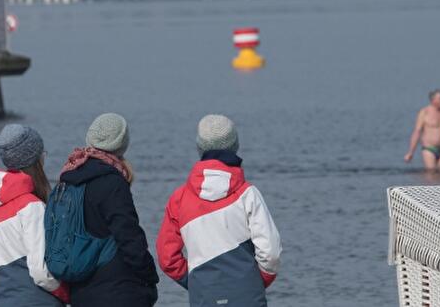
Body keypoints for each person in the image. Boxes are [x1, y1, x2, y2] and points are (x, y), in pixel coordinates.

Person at [157, 114, 282, 307]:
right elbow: (270, 253)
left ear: (200, 147)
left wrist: (197, 282)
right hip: (248, 296)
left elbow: (167, 257)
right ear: (235, 146)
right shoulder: (248, 194)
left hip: (203, 296)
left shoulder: (179, 198)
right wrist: (254, 282)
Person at [58, 113, 159, 307]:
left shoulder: (68, 178)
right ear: (122, 144)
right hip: (118, 291)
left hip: (80, 290)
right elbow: (129, 238)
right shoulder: (112, 183)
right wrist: (150, 276)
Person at [0, 124, 68, 306]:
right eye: (43, 155)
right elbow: (41, 272)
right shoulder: (32, 207)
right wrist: (68, 295)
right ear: (36, 160)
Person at [404, 89, 440, 171]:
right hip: (429, 149)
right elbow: (417, 132)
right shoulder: (424, 112)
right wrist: (410, 152)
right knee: (431, 174)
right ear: (433, 100)